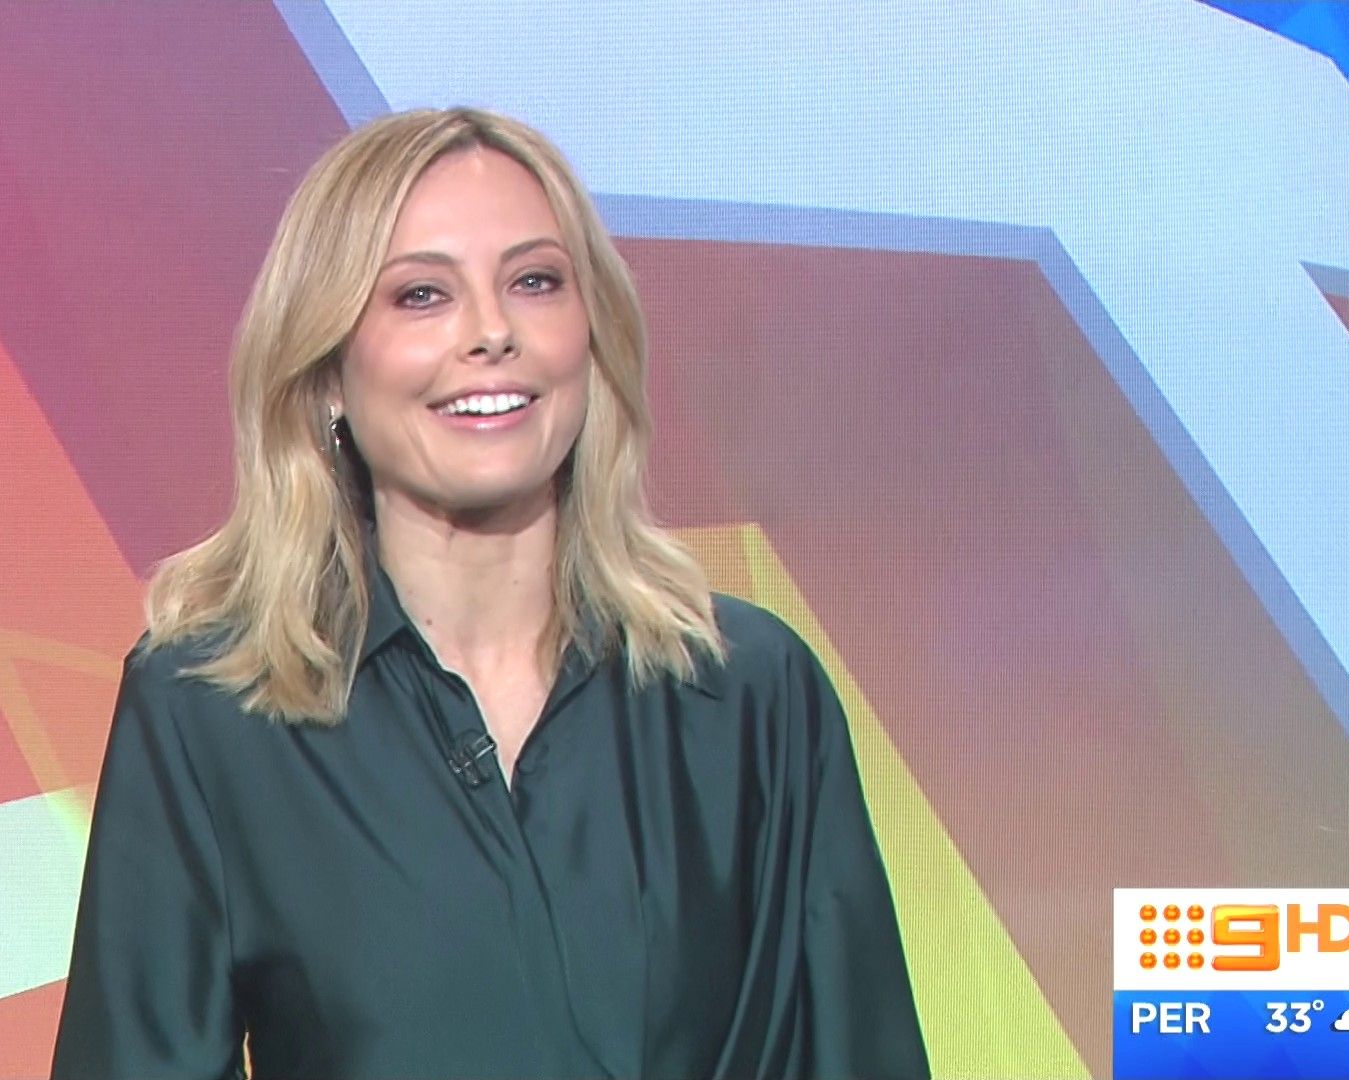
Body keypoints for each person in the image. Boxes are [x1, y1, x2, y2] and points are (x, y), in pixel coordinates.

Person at [49, 106, 929, 1080]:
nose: (493, 332)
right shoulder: (211, 711)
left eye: (535, 281)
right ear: (329, 372)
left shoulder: (750, 693)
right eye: (422, 294)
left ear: (591, 341)